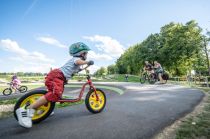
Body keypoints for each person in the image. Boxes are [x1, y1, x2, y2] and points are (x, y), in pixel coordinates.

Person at [15, 42, 94, 128]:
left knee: (53, 95)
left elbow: (76, 69)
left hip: (59, 78)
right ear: (81, 53)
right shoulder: (76, 59)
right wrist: (88, 62)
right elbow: (78, 62)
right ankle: (27, 110)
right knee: (55, 94)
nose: (87, 54)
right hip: (56, 76)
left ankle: (46, 109)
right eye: (86, 53)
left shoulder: (76, 63)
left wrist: (86, 66)